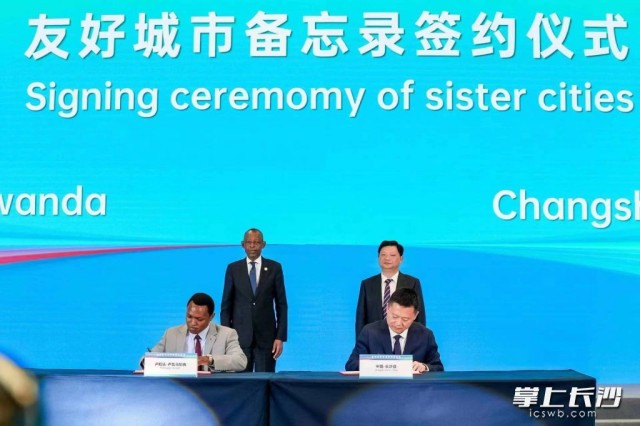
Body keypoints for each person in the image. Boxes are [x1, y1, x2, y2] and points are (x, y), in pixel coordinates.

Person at [221, 228, 288, 372]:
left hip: (267, 339)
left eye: (256, 242)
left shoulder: (274, 268)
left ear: (263, 244)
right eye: (249, 242)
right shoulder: (233, 269)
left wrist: (280, 337)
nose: (252, 246)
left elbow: (281, 304)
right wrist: (225, 338)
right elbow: (226, 306)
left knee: (265, 380)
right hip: (239, 339)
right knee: (240, 382)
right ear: (243, 244)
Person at [346, 288, 443, 372]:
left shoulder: (425, 335)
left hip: (412, 387)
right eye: (395, 317)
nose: (398, 323)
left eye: (405, 319)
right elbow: (351, 365)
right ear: (387, 309)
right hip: (379, 387)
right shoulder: (369, 332)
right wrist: (378, 365)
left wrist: (424, 367)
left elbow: (438, 367)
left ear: (415, 315)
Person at [146, 293, 247, 372]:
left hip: (212, 388)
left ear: (211, 317)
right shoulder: (171, 333)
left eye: (199, 319)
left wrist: (209, 360)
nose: (193, 322)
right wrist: (146, 362)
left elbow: (240, 361)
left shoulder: (227, 334)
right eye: (189, 316)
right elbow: (148, 358)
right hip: (179, 387)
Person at [355, 240, 426, 339]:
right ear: (378, 257)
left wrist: (420, 341)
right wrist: (360, 343)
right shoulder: (367, 284)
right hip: (374, 339)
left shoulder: (412, 283)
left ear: (401, 259)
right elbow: (361, 318)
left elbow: (419, 316)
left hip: (404, 339)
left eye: (392, 255)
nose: (387, 258)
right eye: (383, 255)